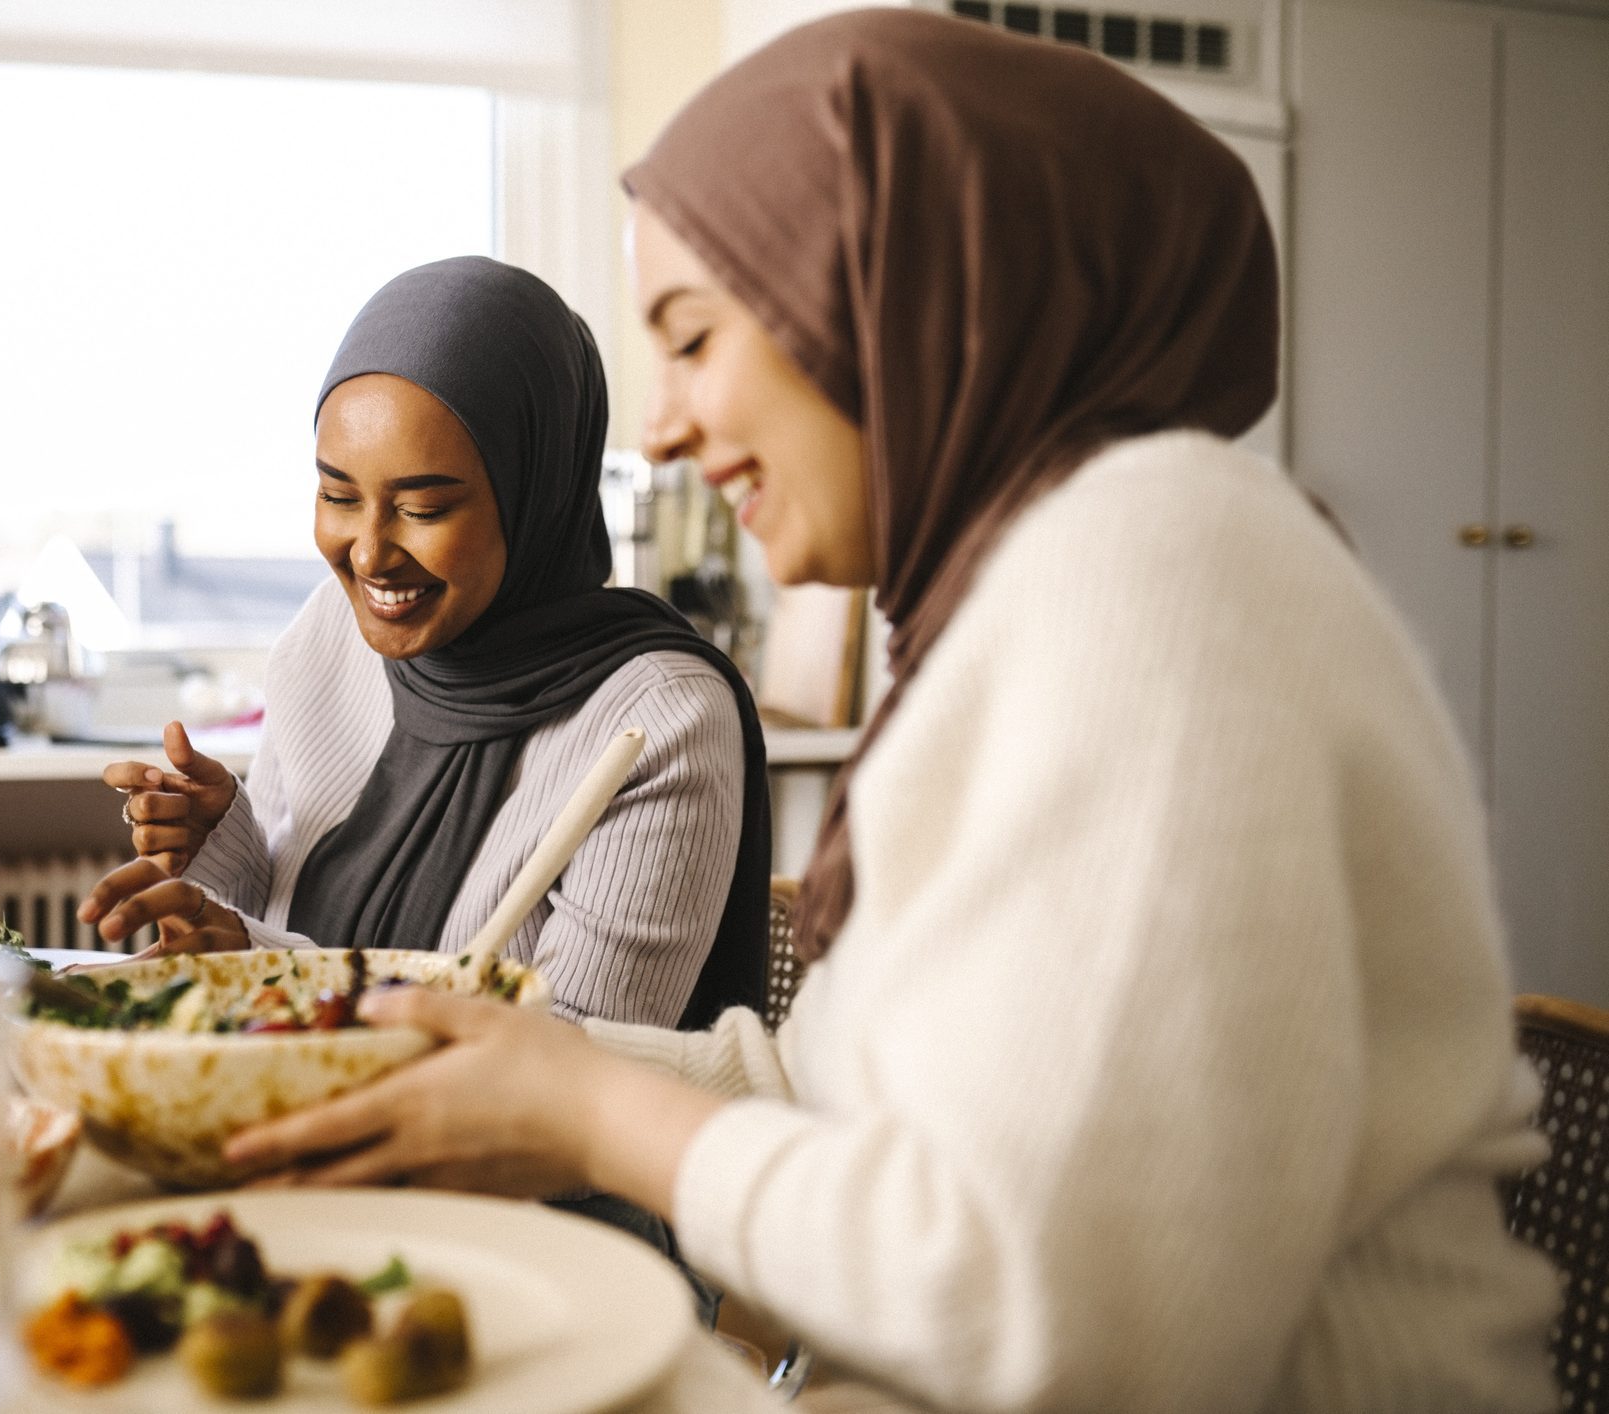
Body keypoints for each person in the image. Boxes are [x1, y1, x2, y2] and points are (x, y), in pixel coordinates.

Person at [219, 13, 1561, 1412]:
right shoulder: (1009, 599)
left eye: (693, 338)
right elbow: (850, 1095)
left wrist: (590, 1112)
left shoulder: (1163, 563)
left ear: (895, 296)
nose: (663, 426)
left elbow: (1072, 1321)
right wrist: (491, 1050)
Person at [80, 253, 772, 1032]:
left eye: (425, 508)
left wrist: (264, 963)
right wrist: (223, 845)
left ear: (533, 494)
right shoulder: (328, 633)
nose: (369, 554)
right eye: (337, 495)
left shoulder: (660, 721)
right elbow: (284, 915)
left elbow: (577, 1057)